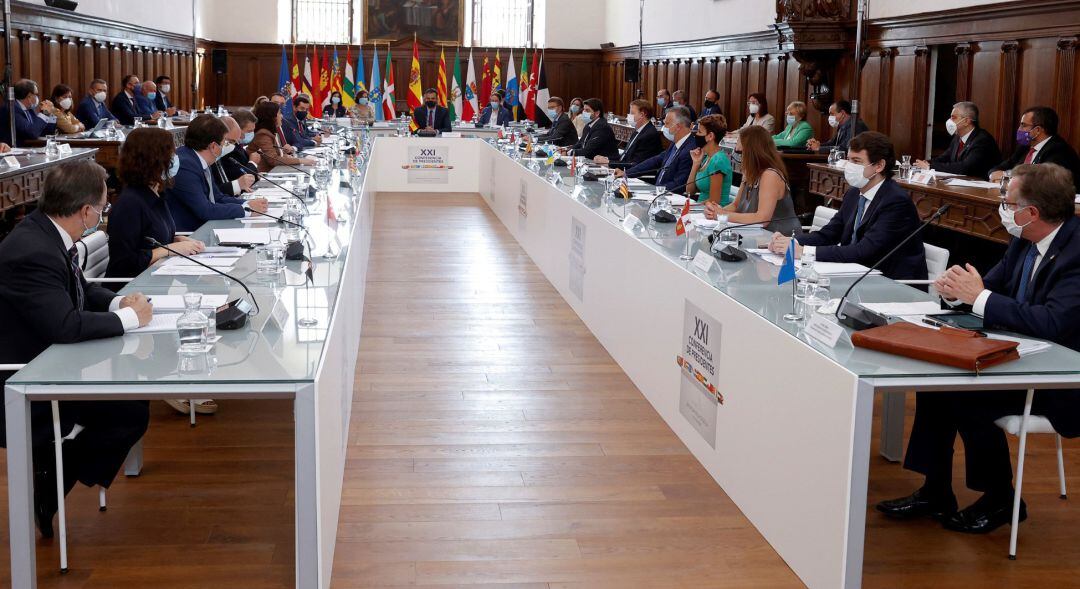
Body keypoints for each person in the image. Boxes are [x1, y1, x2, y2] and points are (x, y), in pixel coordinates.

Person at [878, 163, 1080, 534]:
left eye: (1008, 201)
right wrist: (958, 292)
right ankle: (935, 490)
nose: (1002, 207)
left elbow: (1054, 323)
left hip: (1061, 378)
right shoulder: (1025, 240)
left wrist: (980, 297)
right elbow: (992, 286)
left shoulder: (1076, 253)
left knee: (966, 397)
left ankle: (1001, 498)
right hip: (1015, 354)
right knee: (936, 385)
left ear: (1031, 212)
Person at [0, 158, 153, 538]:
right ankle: (52, 478)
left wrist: (120, 303)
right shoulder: (30, 250)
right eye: (103, 208)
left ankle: (54, 473)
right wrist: (130, 320)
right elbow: (65, 324)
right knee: (128, 410)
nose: (104, 215)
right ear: (86, 211)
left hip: (56, 359)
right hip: (24, 375)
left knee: (133, 405)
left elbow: (79, 290)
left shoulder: (48, 233)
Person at [770, 131, 927, 280]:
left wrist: (805, 252)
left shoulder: (896, 202)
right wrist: (792, 242)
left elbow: (863, 251)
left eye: (857, 161)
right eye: (849, 159)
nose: (849, 166)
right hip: (855, 274)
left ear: (879, 165)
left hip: (890, 283)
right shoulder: (853, 194)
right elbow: (830, 234)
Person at [106, 127, 205, 278]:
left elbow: (150, 238)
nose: (175, 158)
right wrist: (170, 248)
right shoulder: (129, 204)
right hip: (133, 289)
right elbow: (125, 263)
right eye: (171, 154)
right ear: (153, 159)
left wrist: (177, 240)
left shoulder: (156, 194)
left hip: (158, 276)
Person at [163, 114, 268, 232]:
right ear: (213, 146)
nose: (225, 147)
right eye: (224, 143)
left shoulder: (199, 159)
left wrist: (248, 203)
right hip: (190, 234)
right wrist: (246, 209)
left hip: (204, 228)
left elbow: (217, 197)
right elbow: (205, 210)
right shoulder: (185, 165)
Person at [705, 125, 799, 233]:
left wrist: (723, 214)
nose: (737, 156)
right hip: (756, 235)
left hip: (780, 239)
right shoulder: (750, 173)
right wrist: (715, 211)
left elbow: (763, 219)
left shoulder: (770, 175)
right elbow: (736, 206)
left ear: (752, 152)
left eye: (740, 152)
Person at [989, 107, 1080, 192]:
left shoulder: (1058, 150)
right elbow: (998, 168)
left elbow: (1042, 182)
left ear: (1037, 130)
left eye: (1023, 125)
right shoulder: (1024, 147)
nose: (1019, 129)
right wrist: (993, 174)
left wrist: (1006, 176)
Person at [914, 101, 1000, 179]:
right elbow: (944, 158)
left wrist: (930, 167)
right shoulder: (957, 138)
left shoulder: (982, 140)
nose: (949, 121)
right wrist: (927, 163)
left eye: (953, 117)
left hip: (980, 189)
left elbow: (965, 167)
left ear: (966, 121)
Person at [618, 106, 694, 191]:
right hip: (658, 191)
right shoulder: (676, 143)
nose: (664, 127)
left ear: (678, 127)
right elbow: (655, 160)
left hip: (668, 197)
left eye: (667, 124)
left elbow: (679, 184)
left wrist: (654, 190)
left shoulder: (689, 150)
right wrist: (627, 173)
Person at [247, 101, 316, 173]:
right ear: (272, 116)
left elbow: (275, 153)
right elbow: (273, 160)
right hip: (264, 175)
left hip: (275, 171)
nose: (282, 116)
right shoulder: (263, 135)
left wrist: (285, 155)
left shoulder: (270, 132)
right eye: (279, 113)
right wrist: (301, 160)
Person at [593, 99, 662, 169]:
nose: (628, 116)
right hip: (624, 170)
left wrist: (608, 163)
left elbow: (636, 164)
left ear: (642, 115)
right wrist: (606, 159)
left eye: (632, 113)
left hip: (635, 176)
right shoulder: (638, 131)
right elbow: (625, 157)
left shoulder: (650, 135)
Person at [685, 115, 734, 207]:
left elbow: (714, 201)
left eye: (699, 131)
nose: (696, 134)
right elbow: (689, 191)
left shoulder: (718, 160)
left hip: (711, 214)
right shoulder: (706, 157)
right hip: (701, 209)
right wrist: (695, 164)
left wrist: (691, 207)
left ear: (710, 136)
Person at [0, 79, 56, 147]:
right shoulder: (11, 109)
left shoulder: (30, 110)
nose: (38, 97)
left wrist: (50, 114)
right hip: (13, 152)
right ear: (29, 96)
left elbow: (43, 132)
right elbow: (32, 133)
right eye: (36, 94)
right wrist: (45, 113)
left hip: (28, 151)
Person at [210, 116, 257, 197]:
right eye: (230, 141)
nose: (232, 146)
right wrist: (237, 185)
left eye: (235, 142)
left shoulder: (220, 155)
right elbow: (211, 195)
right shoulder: (208, 160)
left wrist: (245, 203)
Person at [223, 108, 261, 179]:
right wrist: (253, 163)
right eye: (249, 131)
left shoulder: (238, 145)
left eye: (253, 131)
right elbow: (240, 177)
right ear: (237, 129)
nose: (252, 134)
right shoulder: (228, 149)